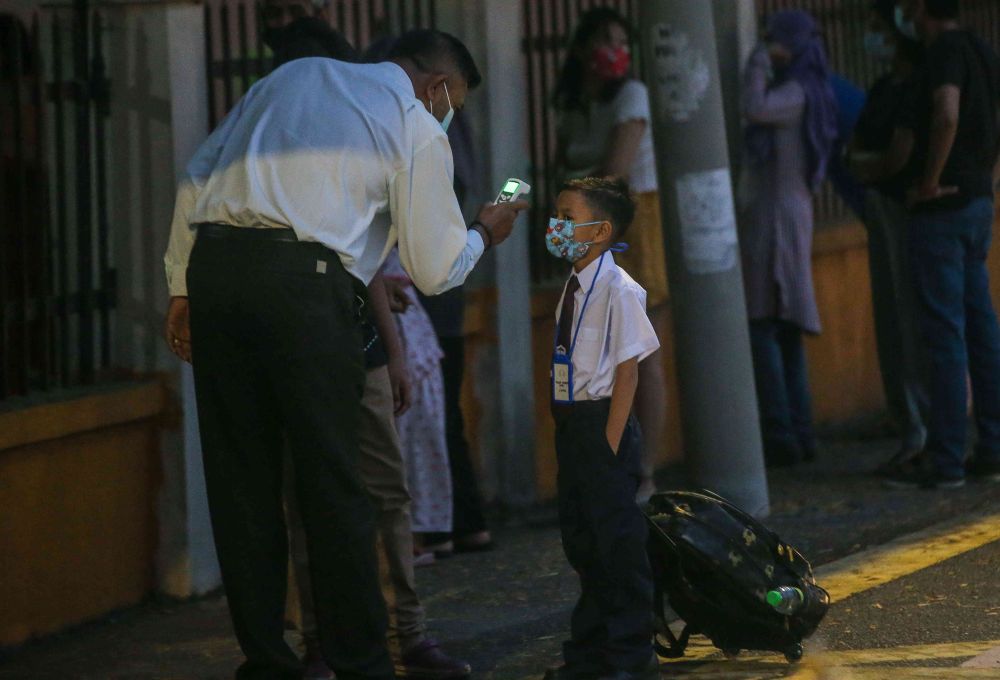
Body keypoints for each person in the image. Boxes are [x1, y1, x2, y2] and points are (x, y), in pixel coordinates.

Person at [161, 28, 528, 679]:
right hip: (305, 291)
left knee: (241, 484)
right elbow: (435, 268)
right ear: (437, 86)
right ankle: (362, 664)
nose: (449, 115)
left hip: (218, 268)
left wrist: (182, 286)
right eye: (455, 103)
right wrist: (485, 230)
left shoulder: (291, 78)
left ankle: (269, 664)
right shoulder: (413, 120)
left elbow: (200, 172)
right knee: (334, 486)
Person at [257, 24, 470, 679]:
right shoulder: (267, 137)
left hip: (359, 338)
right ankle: (323, 640)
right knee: (308, 498)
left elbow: (370, 256)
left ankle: (405, 634)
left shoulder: (359, 129)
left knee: (383, 490)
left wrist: (396, 350)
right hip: (295, 335)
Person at [543, 177, 660, 680]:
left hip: (601, 423)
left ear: (600, 230)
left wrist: (610, 444)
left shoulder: (619, 288)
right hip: (572, 425)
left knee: (617, 546)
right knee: (583, 542)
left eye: (568, 218)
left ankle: (631, 657)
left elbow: (628, 371)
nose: (558, 227)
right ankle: (589, 656)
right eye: (558, 216)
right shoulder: (572, 285)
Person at [882, 0, 1000, 489]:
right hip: (975, 203)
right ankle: (992, 448)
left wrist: (929, 180)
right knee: (981, 328)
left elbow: (946, 112)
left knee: (945, 336)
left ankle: (946, 458)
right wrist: (988, 178)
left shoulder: (943, 53)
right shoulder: (981, 49)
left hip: (943, 210)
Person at [554, 7, 669, 502]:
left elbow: (614, 173)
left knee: (641, 353)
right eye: (604, 40)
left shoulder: (633, 96)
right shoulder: (574, 103)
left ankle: (646, 472)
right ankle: (606, 461)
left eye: (622, 41)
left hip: (634, 226)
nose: (614, 52)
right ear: (582, 50)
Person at [739, 9, 839, 467]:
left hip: (777, 219)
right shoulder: (808, 89)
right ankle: (798, 431)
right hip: (783, 214)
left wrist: (759, 58)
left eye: (777, 41)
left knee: (767, 324)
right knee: (785, 327)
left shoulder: (797, 91)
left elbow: (754, 107)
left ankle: (784, 432)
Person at [848, 0, 929, 473]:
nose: (871, 37)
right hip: (881, 208)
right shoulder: (881, 89)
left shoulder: (916, 86)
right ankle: (910, 428)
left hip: (903, 209)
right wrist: (872, 166)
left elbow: (896, 155)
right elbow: (854, 150)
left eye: (877, 28)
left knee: (911, 317)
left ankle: (926, 429)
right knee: (891, 319)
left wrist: (874, 168)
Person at [381, 248, 454, 561]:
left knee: (416, 438)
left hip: (407, 332)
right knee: (399, 441)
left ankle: (416, 533)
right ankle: (406, 536)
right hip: (395, 333)